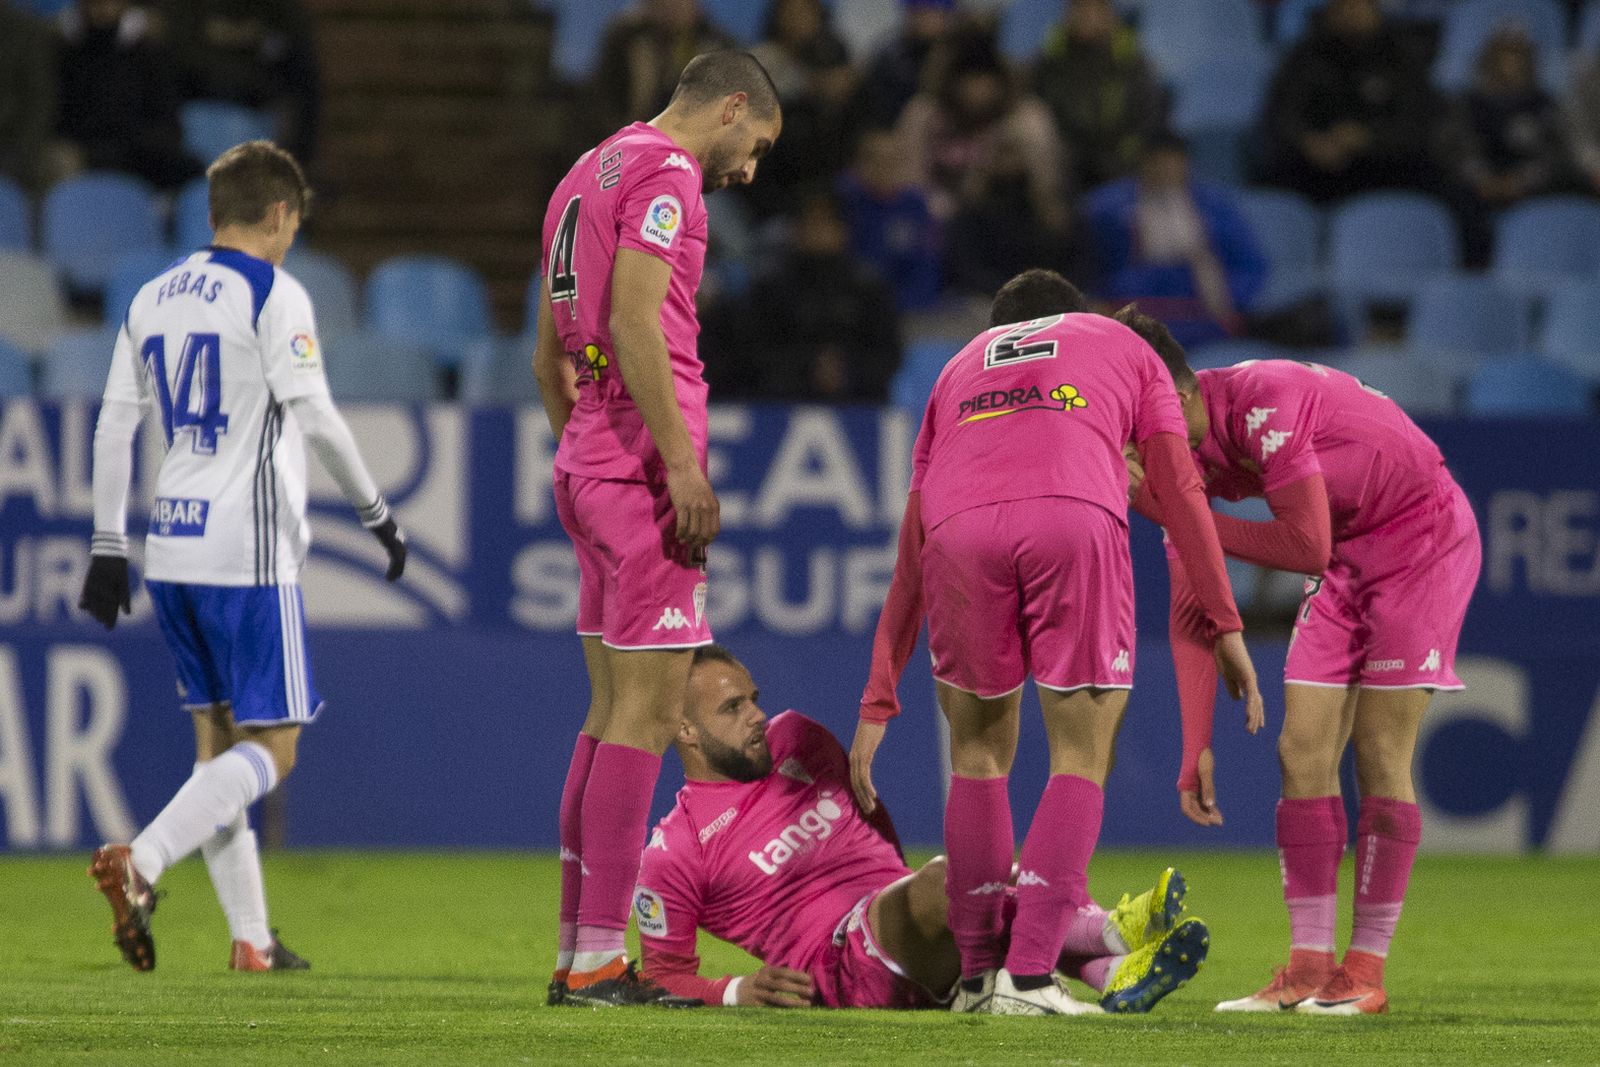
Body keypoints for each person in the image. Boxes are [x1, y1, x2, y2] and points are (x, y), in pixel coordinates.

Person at [850, 269, 1264, 1015]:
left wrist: (879, 694)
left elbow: (911, 547)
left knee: (977, 755)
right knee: (1080, 750)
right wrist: (1225, 619)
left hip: (958, 531)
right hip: (1071, 514)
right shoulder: (1120, 341)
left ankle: (978, 977)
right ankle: (1034, 975)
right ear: (1075, 318)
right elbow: (1179, 488)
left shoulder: (955, 366)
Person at [80, 140, 408, 972]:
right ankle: (144, 863)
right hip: (247, 547)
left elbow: (115, 423)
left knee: (217, 750)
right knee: (276, 746)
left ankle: (252, 939)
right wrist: (377, 513)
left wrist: (107, 544)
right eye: (294, 219)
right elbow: (320, 416)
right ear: (277, 214)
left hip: (172, 542)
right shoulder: (273, 291)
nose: (293, 233)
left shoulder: (151, 295)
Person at [1122, 314, 1481, 1016]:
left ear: (1177, 395)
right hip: (1350, 554)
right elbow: (1193, 596)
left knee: (1380, 751)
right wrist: (1197, 744)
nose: (1141, 446)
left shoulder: (1265, 400)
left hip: (1420, 539)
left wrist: (1176, 515)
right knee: (1300, 749)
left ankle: (1365, 972)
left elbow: (1306, 545)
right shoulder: (1179, 456)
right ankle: (1309, 968)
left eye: (1142, 424)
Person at [532, 51, 781, 1008]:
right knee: (643, 717)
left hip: (591, 464)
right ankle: (600, 960)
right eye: (754, 144)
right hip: (639, 474)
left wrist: (587, 451)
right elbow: (637, 317)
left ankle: (576, 950)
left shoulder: (583, 172)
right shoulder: (669, 174)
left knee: (605, 717)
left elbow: (547, 351)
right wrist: (675, 464)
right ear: (728, 109)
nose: (749, 170)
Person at [631, 645, 1211, 1013]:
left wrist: (923, 899)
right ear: (683, 730)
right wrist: (734, 991)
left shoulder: (796, 738)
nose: (756, 714)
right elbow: (661, 975)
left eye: (753, 698)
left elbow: (871, 819)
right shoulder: (673, 850)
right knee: (957, 879)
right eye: (732, 710)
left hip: (908, 915)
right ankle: (1106, 933)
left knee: (973, 878)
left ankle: (1108, 971)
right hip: (842, 967)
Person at [1084, 134, 1267, 350]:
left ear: (1185, 163)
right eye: (1157, 162)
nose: (1165, 169)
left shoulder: (1215, 206)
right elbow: (1088, 267)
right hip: (1132, 310)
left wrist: (1230, 299)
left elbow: (1251, 264)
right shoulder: (1105, 209)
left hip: (1203, 312)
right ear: (1143, 163)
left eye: (1173, 162)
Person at [1261, 0, 1437, 202]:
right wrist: (1309, 142)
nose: (1351, 13)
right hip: (1312, 170)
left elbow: (1417, 123)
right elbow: (1281, 116)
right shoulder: (1305, 55)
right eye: (1342, 6)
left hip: (1384, 169)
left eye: (1358, 5)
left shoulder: (1399, 56)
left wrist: (1367, 137)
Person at [748, 188, 903, 402]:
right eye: (811, 222)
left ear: (844, 230)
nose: (818, 231)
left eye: (826, 222)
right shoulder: (770, 289)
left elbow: (888, 354)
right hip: (783, 405)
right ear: (795, 229)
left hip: (861, 406)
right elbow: (757, 354)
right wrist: (808, 369)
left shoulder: (868, 289)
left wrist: (848, 373)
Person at [54, 0, 198, 190]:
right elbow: (62, 118)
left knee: (192, 170)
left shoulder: (149, 52)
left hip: (140, 150)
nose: (104, 8)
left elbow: (168, 123)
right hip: (87, 149)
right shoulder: (66, 51)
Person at [1033, 0, 1165, 190]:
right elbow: (1042, 108)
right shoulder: (1051, 60)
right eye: (1078, 9)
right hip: (1066, 162)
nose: (1086, 16)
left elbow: (1148, 117)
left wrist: (1125, 155)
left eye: (1095, 9)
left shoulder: (1132, 61)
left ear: (1111, 16)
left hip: (1121, 163)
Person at [589, 0, 737, 135]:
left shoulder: (718, 46)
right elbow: (602, 105)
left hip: (691, 146)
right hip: (631, 141)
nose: (673, 5)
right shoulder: (625, 38)